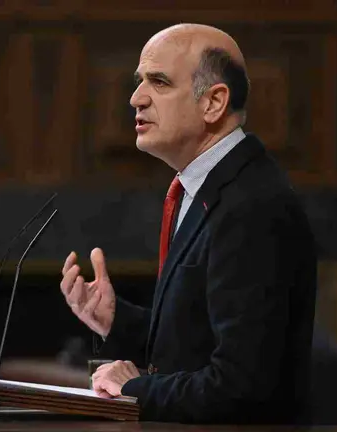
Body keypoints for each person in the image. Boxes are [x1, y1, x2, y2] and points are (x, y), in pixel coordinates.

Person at [59, 23, 318, 424]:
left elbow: (241, 386)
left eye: (158, 82)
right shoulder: (208, 188)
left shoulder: (252, 206)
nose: (135, 99)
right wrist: (117, 320)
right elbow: (196, 348)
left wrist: (135, 388)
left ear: (213, 102)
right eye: (138, 81)